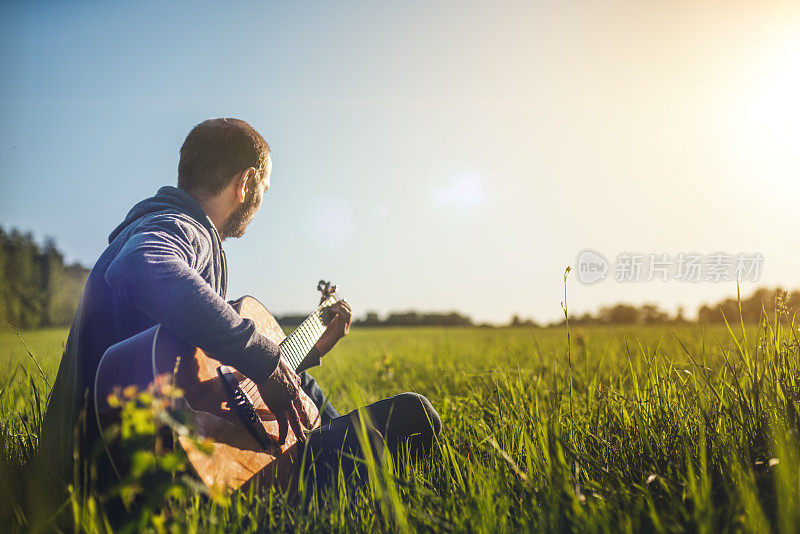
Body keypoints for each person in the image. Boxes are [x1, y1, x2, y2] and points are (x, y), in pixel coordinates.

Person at [37, 118, 441, 512]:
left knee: (305, 384)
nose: (260, 200)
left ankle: (319, 450)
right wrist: (263, 359)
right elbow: (143, 265)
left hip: (85, 465)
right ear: (245, 183)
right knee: (416, 413)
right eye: (263, 189)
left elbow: (208, 377)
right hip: (142, 470)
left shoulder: (163, 225)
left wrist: (300, 354)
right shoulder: (181, 225)